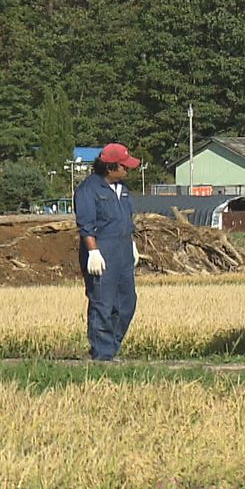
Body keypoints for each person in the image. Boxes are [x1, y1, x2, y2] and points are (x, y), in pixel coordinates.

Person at [74, 143, 141, 362]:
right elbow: (86, 224)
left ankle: (110, 347)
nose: (127, 170)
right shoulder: (88, 190)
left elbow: (126, 221)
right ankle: (102, 356)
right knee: (103, 303)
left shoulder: (122, 190)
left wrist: (131, 245)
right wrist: (93, 252)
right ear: (110, 167)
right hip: (101, 251)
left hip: (122, 252)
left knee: (127, 303)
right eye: (124, 166)